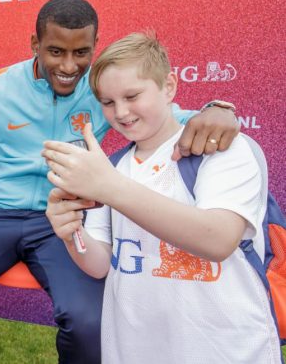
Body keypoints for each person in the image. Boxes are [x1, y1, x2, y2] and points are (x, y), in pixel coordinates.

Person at [0, 0, 240, 364]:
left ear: (94, 47)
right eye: (56, 51)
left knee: (90, 321)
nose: (68, 65)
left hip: (68, 217)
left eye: (81, 53)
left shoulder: (101, 92)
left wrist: (218, 109)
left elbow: (169, 116)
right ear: (35, 45)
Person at [43, 32, 281, 363]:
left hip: (227, 348)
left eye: (132, 95)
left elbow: (218, 239)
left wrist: (108, 186)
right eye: (108, 103)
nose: (121, 112)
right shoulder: (114, 167)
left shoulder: (223, 149)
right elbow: (99, 264)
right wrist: (72, 234)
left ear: (168, 86)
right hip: (134, 347)